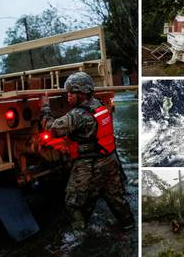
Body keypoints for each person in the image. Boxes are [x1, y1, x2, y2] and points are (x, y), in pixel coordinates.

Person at [41, 71, 135, 252]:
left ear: (81, 93)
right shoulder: (99, 106)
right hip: (110, 161)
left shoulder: (78, 115)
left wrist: (45, 107)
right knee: (116, 199)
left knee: (73, 202)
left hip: (88, 166)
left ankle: (79, 237)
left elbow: (52, 128)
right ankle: (129, 227)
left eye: (71, 92)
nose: (67, 95)